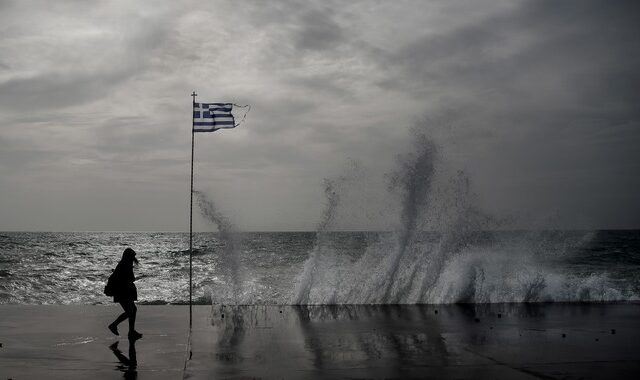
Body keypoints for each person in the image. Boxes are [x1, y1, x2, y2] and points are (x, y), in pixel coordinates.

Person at [108, 248, 143, 339]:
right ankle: (114, 325)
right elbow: (131, 278)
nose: (134, 258)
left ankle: (131, 331)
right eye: (132, 256)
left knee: (133, 310)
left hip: (124, 292)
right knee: (130, 311)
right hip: (122, 292)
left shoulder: (124, 264)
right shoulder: (125, 265)